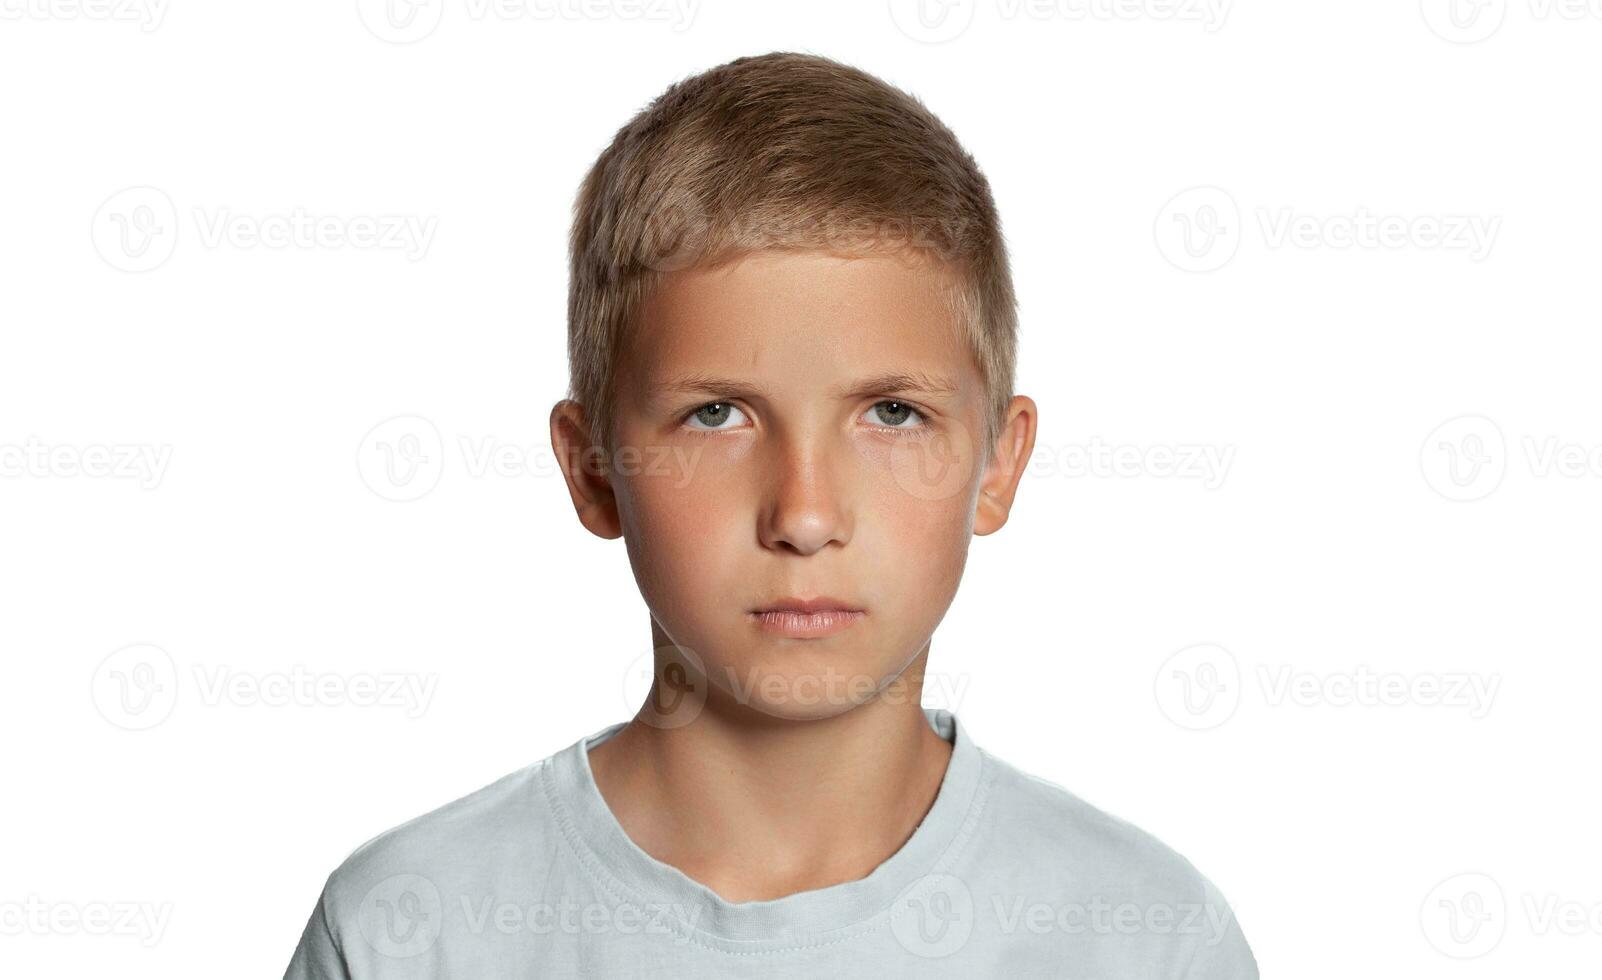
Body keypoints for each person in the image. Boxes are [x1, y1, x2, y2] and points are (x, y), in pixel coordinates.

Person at [284, 51, 1257, 978]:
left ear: (998, 464)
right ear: (593, 470)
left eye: (891, 413)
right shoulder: (410, 930)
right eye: (718, 414)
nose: (804, 513)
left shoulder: (1146, 939)